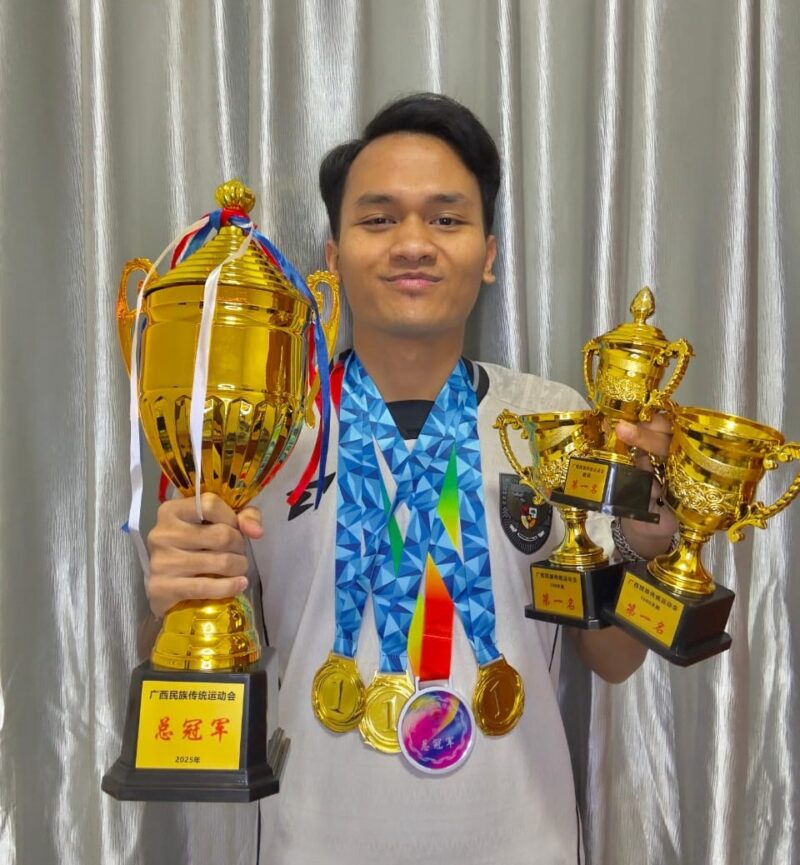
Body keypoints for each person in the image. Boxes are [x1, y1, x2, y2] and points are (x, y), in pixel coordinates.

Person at [144, 93, 676, 864]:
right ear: (332, 255)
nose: (414, 243)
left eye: (447, 218)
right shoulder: (265, 432)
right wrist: (179, 593)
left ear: (489, 252)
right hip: (314, 840)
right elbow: (198, 666)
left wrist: (645, 543)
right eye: (380, 218)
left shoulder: (554, 423)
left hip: (523, 840)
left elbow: (615, 660)